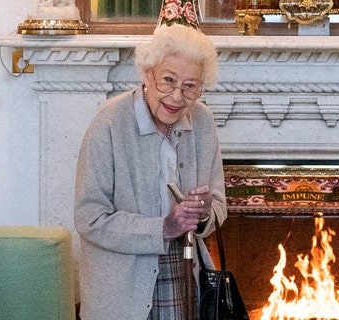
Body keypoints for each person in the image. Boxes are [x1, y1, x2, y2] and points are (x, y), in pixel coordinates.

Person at [73, 23, 226, 320]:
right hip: (122, 286)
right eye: (168, 80)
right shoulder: (109, 123)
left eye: (190, 86)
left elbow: (218, 204)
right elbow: (89, 218)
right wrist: (164, 227)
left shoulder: (203, 122)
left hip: (185, 272)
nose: (177, 97)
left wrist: (205, 212)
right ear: (147, 73)